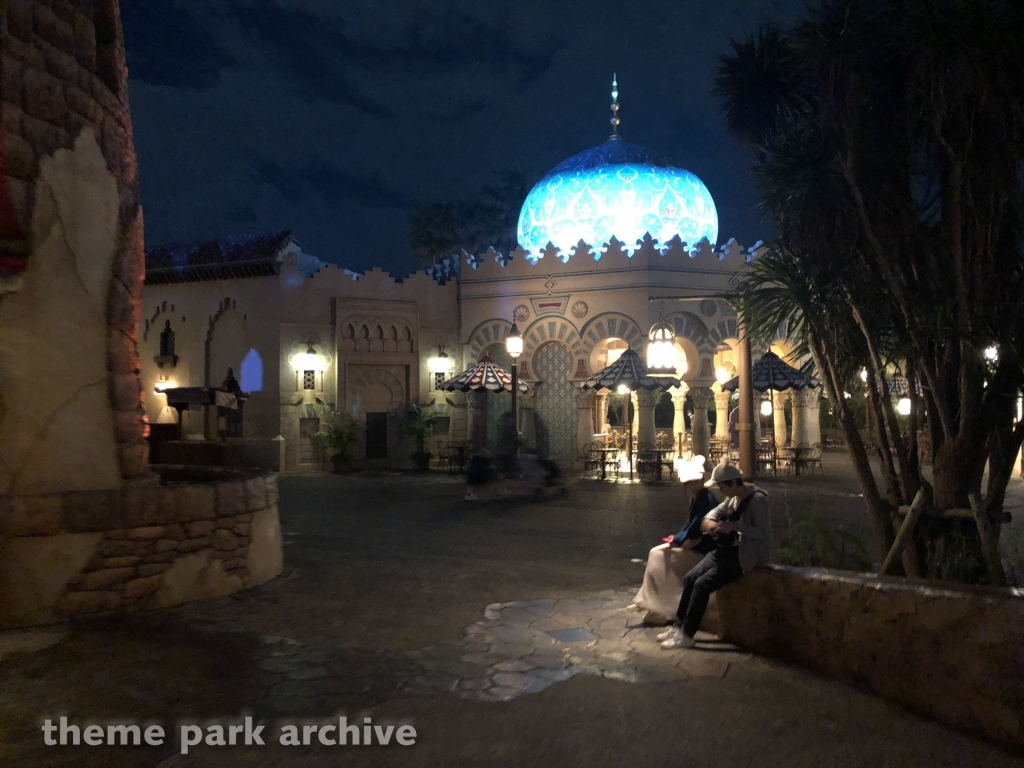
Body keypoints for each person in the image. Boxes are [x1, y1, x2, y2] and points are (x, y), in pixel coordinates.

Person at [659, 458, 771, 649]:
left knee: (702, 584)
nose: (721, 492)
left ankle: (687, 633)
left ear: (734, 483)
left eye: (723, 487)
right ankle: (679, 627)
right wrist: (710, 523)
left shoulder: (757, 500)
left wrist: (735, 526)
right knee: (690, 577)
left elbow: (762, 533)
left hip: (745, 556)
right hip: (726, 550)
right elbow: (712, 514)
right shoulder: (733, 498)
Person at [632, 455, 718, 624]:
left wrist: (678, 539)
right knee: (657, 554)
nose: (690, 485)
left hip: (703, 548)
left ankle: (662, 606)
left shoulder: (705, 499)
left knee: (658, 555)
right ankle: (653, 603)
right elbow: (690, 523)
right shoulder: (697, 497)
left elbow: (697, 525)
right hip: (695, 543)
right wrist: (677, 537)